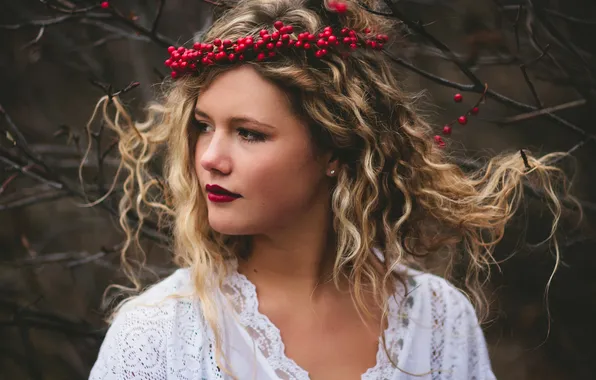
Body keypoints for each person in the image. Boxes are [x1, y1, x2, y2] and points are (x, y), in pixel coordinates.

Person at [87, 0, 572, 379]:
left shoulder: (438, 319)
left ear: (335, 150)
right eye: (203, 126)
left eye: (249, 132)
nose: (210, 157)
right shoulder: (157, 335)